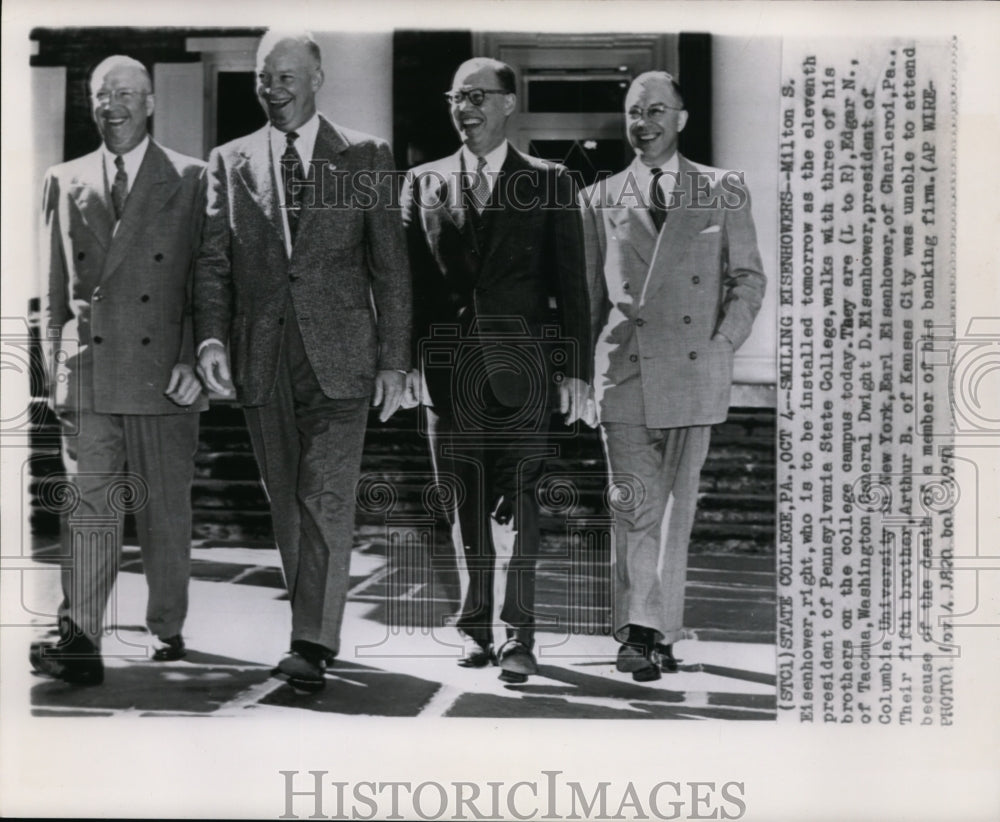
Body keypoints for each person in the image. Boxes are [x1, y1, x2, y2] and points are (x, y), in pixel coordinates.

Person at [194, 31, 410, 691]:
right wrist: (210, 341)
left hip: (341, 356)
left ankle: (311, 642)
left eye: (287, 78)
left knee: (324, 496)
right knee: (286, 502)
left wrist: (395, 359)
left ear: (316, 76)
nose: (275, 92)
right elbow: (212, 265)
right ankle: (310, 625)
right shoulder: (229, 161)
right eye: (265, 80)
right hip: (262, 357)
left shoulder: (365, 155)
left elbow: (390, 268)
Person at [401, 58, 591, 683]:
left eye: (479, 96)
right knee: (466, 505)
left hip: (525, 376)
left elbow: (573, 286)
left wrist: (575, 372)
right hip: (448, 378)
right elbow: (409, 290)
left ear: (509, 104)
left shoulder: (551, 180)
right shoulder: (422, 183)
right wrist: (402, 363)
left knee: (527, 507)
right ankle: (476, 626)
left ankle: (520, 635)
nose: (466, 108)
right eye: (457, 96)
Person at [581, 71, 766, 681]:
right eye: (635, 112)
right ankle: (637, 632)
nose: (645, 123)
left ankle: (658, 629)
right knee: (634, 505)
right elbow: (586, 298)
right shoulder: (600, 198)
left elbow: (748, 280)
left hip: (694, 370)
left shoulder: (723, 189)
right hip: (626, 371)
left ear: (681, 118)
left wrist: (722, 344)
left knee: (675, 512)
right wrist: (582, 376)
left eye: (657, 110)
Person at [32, 55, 207, 685]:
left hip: (167, 374)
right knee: (88, 511)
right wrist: (53, 367)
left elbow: (207, 283)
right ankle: (79, 635)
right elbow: (53, 290)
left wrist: (195, 356)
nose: (114, 106)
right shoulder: (64, 178)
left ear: (151, 102)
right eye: (103, 96)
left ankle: (167, 624)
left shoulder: (191, 176)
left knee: (165, 513)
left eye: (127, 94)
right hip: (93, 372)